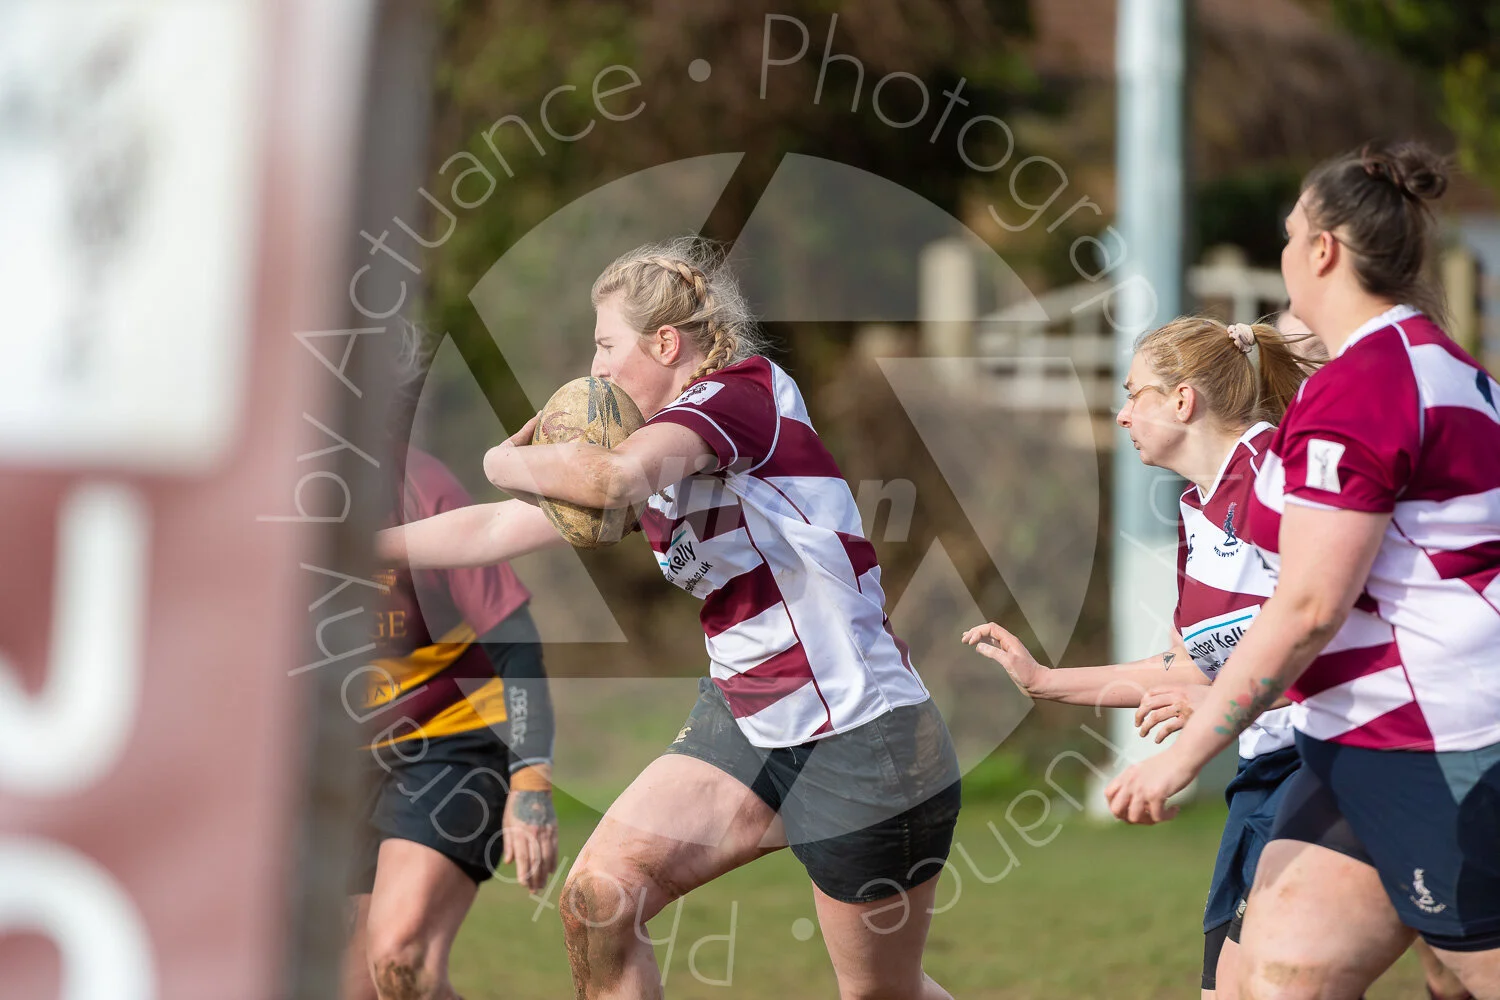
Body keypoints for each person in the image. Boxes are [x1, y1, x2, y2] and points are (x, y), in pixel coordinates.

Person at [378, 237, 963, 1000]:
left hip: (861, 739)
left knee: (884, 994)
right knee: (599, 898)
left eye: (605, 345)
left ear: (665, 343)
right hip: (748, 719)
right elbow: (491, 531)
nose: (595, 370)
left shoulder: (737, 397)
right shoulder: (657, 459)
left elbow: (609, 474)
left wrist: (500, 458)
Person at [1105, 140, 1500, 1000]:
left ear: (1322, 250)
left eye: (1289, 235)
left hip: (1440, 740)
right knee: (1277, 976)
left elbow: (1312, 604)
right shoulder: (1421, 364)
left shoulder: (1370, 386)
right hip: (1353, 739)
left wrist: (1187, 756)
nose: (1282, 254)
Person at [963, 314, 1317, 999]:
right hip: (1264, 773)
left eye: (1135, 393)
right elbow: (1189, 670)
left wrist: (1215, 706)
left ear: (1183, 400)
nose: (1122, 414)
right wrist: (1044, 681)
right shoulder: (1197, 510)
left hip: (1330, 765)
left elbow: (1336, 638)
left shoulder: (1276, 474)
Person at [345, 438, 559, 1000]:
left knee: (400, 963)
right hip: (346, 761)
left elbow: (516, 647)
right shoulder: (258, 499)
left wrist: (530, 784)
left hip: (454, 741)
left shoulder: (418, 485)